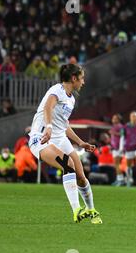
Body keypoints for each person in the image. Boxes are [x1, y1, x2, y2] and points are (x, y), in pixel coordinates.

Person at [27, 64, 102, 223]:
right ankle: (76, 210)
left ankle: (91, 209)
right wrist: (48, 128)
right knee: (68, 164)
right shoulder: (56, 91)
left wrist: (81, 142)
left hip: (60, 138)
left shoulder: (71, 99)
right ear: (73, 78)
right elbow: (48, 107)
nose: (83, 82)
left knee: (81, 177)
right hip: (41, 138)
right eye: (81, 78)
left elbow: (64, 124)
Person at [122, 111, 136, 188]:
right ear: (130, 117)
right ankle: (128, 181)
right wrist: (121, 147)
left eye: (135, 116)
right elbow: (123, 137)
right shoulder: (125, 126)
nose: (134, 118)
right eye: (132, 116)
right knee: (128, 166)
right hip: (129, 148)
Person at [109, 113, 125, 186]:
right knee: (116, 164)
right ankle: (119, 179)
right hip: (114, 148)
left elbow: (122, 135)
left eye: (114, 118)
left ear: (118, 120)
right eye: (113, 118)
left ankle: (121, 180)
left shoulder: (120, 126)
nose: (113, 119)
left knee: (117, 164)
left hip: (118, 148)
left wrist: (114, 133)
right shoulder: (114, 126)